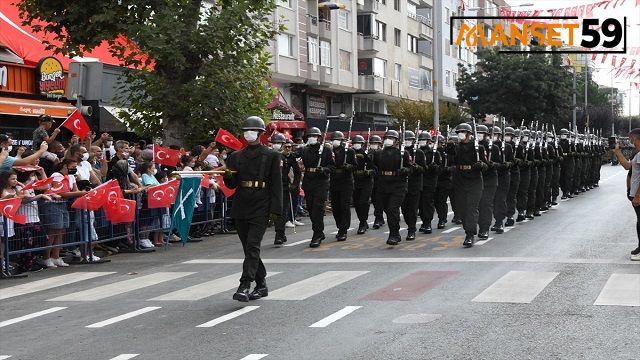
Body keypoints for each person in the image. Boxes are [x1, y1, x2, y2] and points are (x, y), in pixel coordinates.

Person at [223, 116, 282, 302]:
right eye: (246, 130)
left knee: (252, 246)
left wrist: (276, 210)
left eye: (252, 130)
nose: (248, 133)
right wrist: (226, 175)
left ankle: (245, 284)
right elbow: (232, 185)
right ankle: (262, 284)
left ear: (260, 133)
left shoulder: (271, 155)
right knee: (249, 248)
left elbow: (276, 184)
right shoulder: (235, 157)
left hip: (261, 203)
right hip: (242, 203)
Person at [39, 159, 87, 268]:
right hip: (52, 204)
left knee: (61, 230)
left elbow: (74, 190)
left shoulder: (71, 177)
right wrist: (80, 193)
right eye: (73, 166)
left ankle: (56, 256)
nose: (75, 168)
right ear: (65, 166)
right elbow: (59, 191)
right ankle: (46, 257)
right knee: (53, 231)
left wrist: (81, 192)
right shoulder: (56, 175)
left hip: (63, 205)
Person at [371, 130, 412, 246]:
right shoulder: (379, 154)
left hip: (398, 185)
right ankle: (394, 231)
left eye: (391, 138)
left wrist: (405, 170)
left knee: (392, 209)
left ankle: (394, 234)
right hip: (383, 185)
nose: (388, 139)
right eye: (387, 137)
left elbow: (410, 168)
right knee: (387, 210)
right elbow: (373, 167)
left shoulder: (403, 153)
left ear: (396, 141)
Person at [298, 127, 335, 247]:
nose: (311, 138)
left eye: (313, 136)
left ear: (319, 137)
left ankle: (317, 234)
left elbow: (332, 166)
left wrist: (324, 169)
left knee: (318, 208)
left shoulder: (325, 150)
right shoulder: (305, 150)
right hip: (309, 181)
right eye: (309, 136)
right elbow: (294, 156)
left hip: (321, 182)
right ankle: (319, 231)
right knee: (311, 209)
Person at [453, 123, 486, 247]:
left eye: (463, 131)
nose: (460, 134)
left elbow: (486, 164)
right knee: (462, 210)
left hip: (474, 182)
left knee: (471, 209)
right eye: (459, 131)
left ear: (469, 134)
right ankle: (468, 230)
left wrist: (481, 165)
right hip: (460, 181)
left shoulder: (478, 147)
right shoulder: (456, 147)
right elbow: (452, 161)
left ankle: (470, 234)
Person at [612, 129, 640, 260]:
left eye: (631, 138)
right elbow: (628, 167)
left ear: (635, 137)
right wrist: (617, 153)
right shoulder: (637, 154)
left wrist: (638, 195)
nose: (630, 141)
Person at [329, 131, 356, 241]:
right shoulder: (328, 151)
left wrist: (348, 166)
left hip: (346, 182)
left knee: (344, 206)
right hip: (334, 181)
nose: (335, 142)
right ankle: (339, 225)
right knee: (335, 207)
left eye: (338, 140)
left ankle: (343, 229)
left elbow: (355, 165)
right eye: (334, 140)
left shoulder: (349, 151)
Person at [477, 124, 500, 240]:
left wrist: (492, 164)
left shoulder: (494, 148)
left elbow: (501, 163)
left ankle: (484, 228)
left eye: (481, 133)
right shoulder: (473, 147)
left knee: (486, 204)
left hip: (489, 180)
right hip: (475, 180)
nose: (479, 135)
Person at [401, 130, 425, 241]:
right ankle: (409, 224)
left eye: (409, 140)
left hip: (414, 184)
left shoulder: (419, 153)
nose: (407, 142)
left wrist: (417, 167)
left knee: (412, 208)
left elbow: (423, 168)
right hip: (401, 185)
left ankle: (412, 229)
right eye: (405, 140)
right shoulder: (400, 152)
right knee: (404, 209)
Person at [492, 126, 514, 233]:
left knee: (500, 199)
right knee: (492, 201)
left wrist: (507, 164)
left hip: (503, 176)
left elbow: (512, 161)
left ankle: (499, 221)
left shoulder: (507, 147)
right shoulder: (488, 146)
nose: (493, 136)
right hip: (491, 176)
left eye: (495, 134)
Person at [351, 135, 374, 234]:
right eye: (355, 143)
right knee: (356, 203)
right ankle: (362, 220)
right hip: (354, 181)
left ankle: (363, 222)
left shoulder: (368, 154)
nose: (357, 145)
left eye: (359, 143)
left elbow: (374, 167)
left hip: (366, 182)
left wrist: (368, 171)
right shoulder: (350, 153)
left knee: (363, 202)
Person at [417, 132, 438, 235]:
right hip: (419, 181)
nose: (422, 141)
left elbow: (439, 168)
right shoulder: (417, 152)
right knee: (420, 203)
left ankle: (428, 223)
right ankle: (424, 222)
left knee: (427, 202)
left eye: (424, 140)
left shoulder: (434, 153)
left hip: (429, 181)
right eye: (420, 140)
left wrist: (434, 167)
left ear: (429, 141)